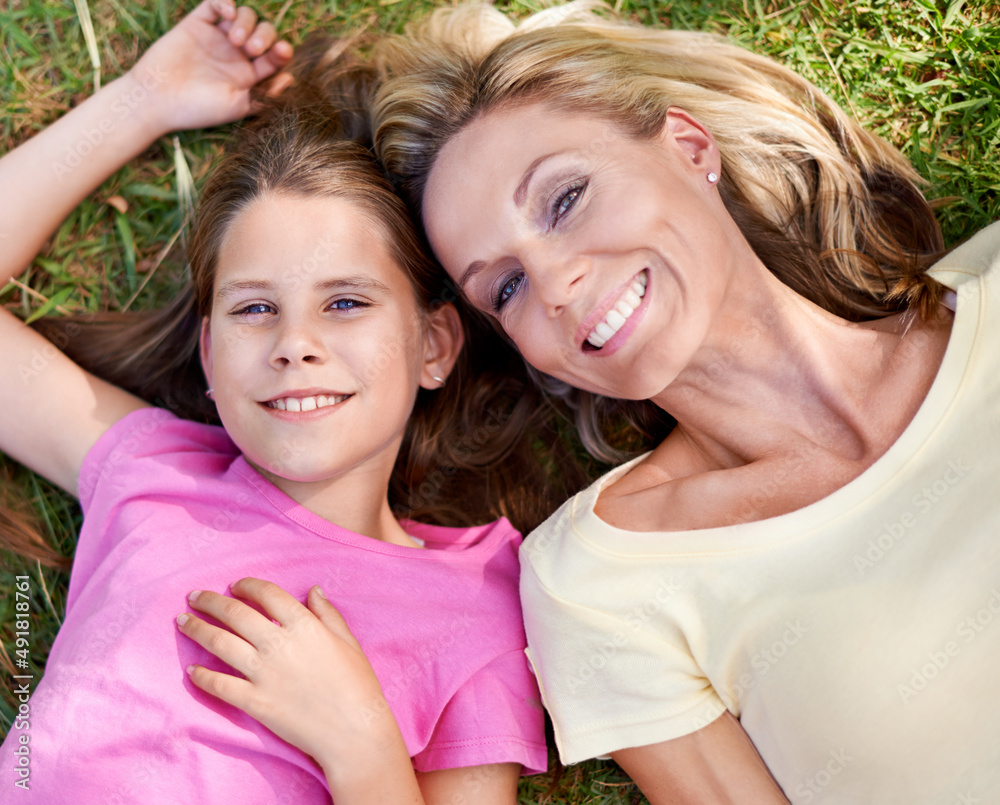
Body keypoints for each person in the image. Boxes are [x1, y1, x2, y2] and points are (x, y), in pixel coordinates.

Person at [363, 2, 1000, 802]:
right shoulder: (601, 582)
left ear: (690, 147)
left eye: (564, 200)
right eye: (509, 285)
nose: (556, 286)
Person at [0, 2, 555, 801]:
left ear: (434, 344)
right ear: (210, 355)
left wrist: (358, 741)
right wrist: (143, 97)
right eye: (255, 309)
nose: (295, 343)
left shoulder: (475, 606)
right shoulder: (152, 472)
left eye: (345, 304)